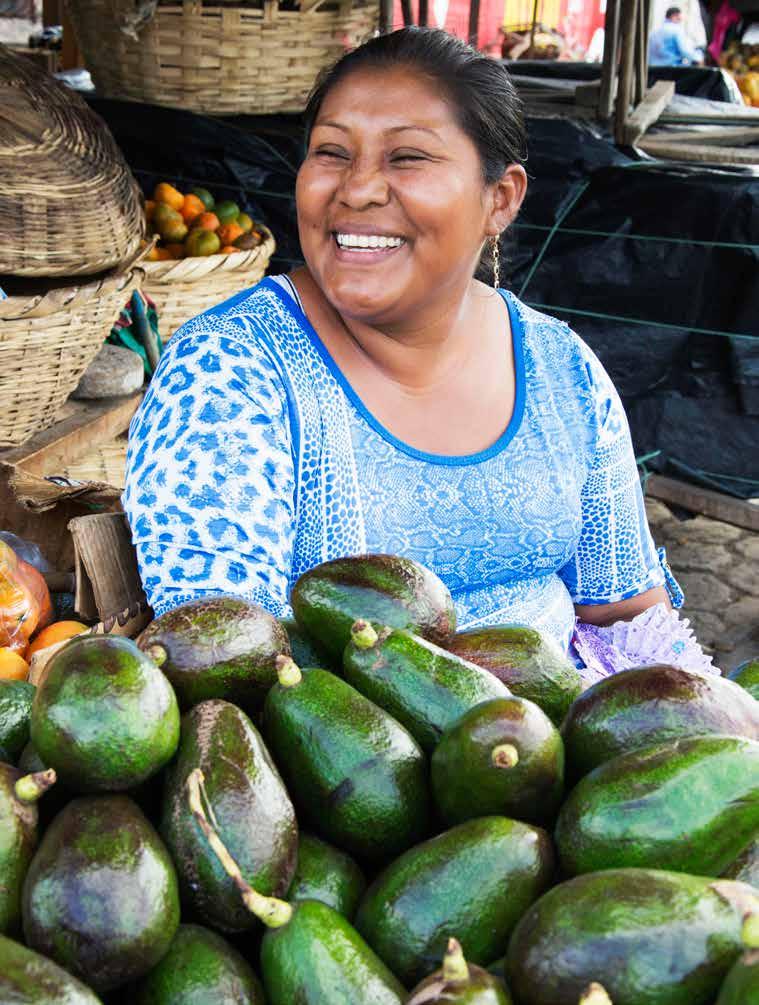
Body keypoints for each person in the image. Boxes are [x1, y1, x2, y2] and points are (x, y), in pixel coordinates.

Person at [124, 28, 701, 673]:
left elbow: (626, 610)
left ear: (500, 199)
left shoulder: (562, 369)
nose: (359, 189)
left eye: (408, 158)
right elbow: (226, 658)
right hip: (350, 759)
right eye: (332, 153)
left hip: (569, 747)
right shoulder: (230, 369)